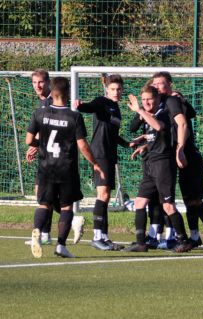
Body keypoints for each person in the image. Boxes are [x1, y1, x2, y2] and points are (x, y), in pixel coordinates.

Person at [25, 77, 104, 258]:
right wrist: (96, 164)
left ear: (51, 93)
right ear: (68, 93)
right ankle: (61, 245)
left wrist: (42, 143)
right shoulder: (74, 116)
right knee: (67, 207)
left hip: (46, 167)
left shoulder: (39, 113)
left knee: (44, 204)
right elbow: (83, 145)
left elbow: (29, 140)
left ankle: (37, 231)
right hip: (66, 169)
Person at [151, 72, 203, 249]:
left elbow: (186, 122)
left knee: (193, 199)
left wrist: (180, 149)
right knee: (190, 199)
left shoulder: (173, 101)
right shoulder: (165, 103)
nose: (157, 86)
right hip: (180, 155)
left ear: (169, 85)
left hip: (188, 156)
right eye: (155, 83)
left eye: (161, 83)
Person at [123, 85, 193, 253]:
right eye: (144, 99)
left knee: (167, 205)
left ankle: (184, 240)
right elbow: (154, 136)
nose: (146, 102)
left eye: (150, 99)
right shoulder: (148, 115)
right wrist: (144, 145)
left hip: (163, 164)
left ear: (157, 99)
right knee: (140, 202)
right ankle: (141, 242)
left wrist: (140, 110)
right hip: (150, 164)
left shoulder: (164, 112)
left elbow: (159, 127)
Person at [25, 69, 85, 246]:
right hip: (50, 158)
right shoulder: (44, 102)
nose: (37, 86)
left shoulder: (53, 102)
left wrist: (37, 144)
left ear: (49, 83)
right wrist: (37, 144)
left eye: (41, 82)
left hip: (55, 161)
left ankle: (45, 234)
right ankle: (52, 231)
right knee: (43, 196)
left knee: (44, 197)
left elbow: (50, 129)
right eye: (34, 82)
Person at [73, 74, 130, 251]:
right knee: (103, 194)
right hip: (100, 154)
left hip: (110, 154)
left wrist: (127, 143)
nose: (116, 92)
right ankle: (97, 237)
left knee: (106, 196)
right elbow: (90, 107)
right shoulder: (101, 101)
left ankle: (104, 237)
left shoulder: (116, 108)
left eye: (119, 89)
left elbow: (112, 134)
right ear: (107, 89)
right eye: (113, 89)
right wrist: (81, 105)